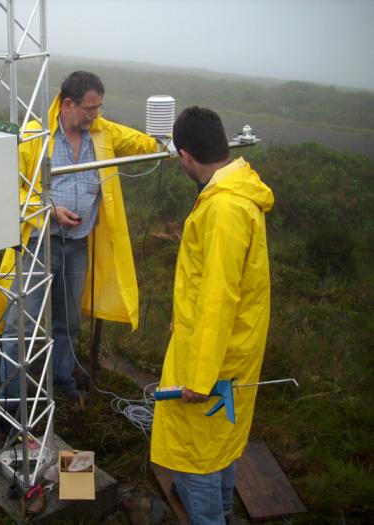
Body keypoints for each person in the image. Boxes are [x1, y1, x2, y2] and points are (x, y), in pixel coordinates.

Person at [0, 71, 158, 403]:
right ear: (67, 104)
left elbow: (144, 142)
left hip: (78, 246)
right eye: (90, 108)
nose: (96, 114)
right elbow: (6, 189)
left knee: (68, 322)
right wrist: (49, 210)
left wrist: (174, 137)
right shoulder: (33, 137)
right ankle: (11, 400)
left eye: (99, 107)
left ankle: (63, 384)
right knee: (19, 325)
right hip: (39, 244)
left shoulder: (101, 132)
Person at [150, 107, 274, 524]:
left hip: (212, 361)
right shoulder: (238, 192)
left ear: (186, 156)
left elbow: (218, 298)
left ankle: (211, 518)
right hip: (228, 351)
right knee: (219, 442)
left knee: (194, 455)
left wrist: (200, 377)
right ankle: (221, 511)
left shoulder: (224, 210)